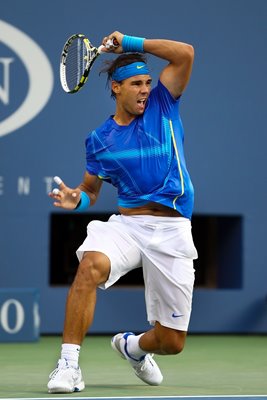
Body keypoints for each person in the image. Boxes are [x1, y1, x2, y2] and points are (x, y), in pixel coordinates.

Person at [47, 30, 197, 394]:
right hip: (128, 226)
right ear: (116, 88)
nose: (146, 89)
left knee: (171, 342)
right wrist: (76, 200)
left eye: (148, 82)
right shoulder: (99, 140)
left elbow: (185, 53)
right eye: (136, 84)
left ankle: (132, 347)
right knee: (89, 267)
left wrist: (131, 42)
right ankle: (68, 365)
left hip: (173, 229)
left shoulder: (164, 103)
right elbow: (90, 192)